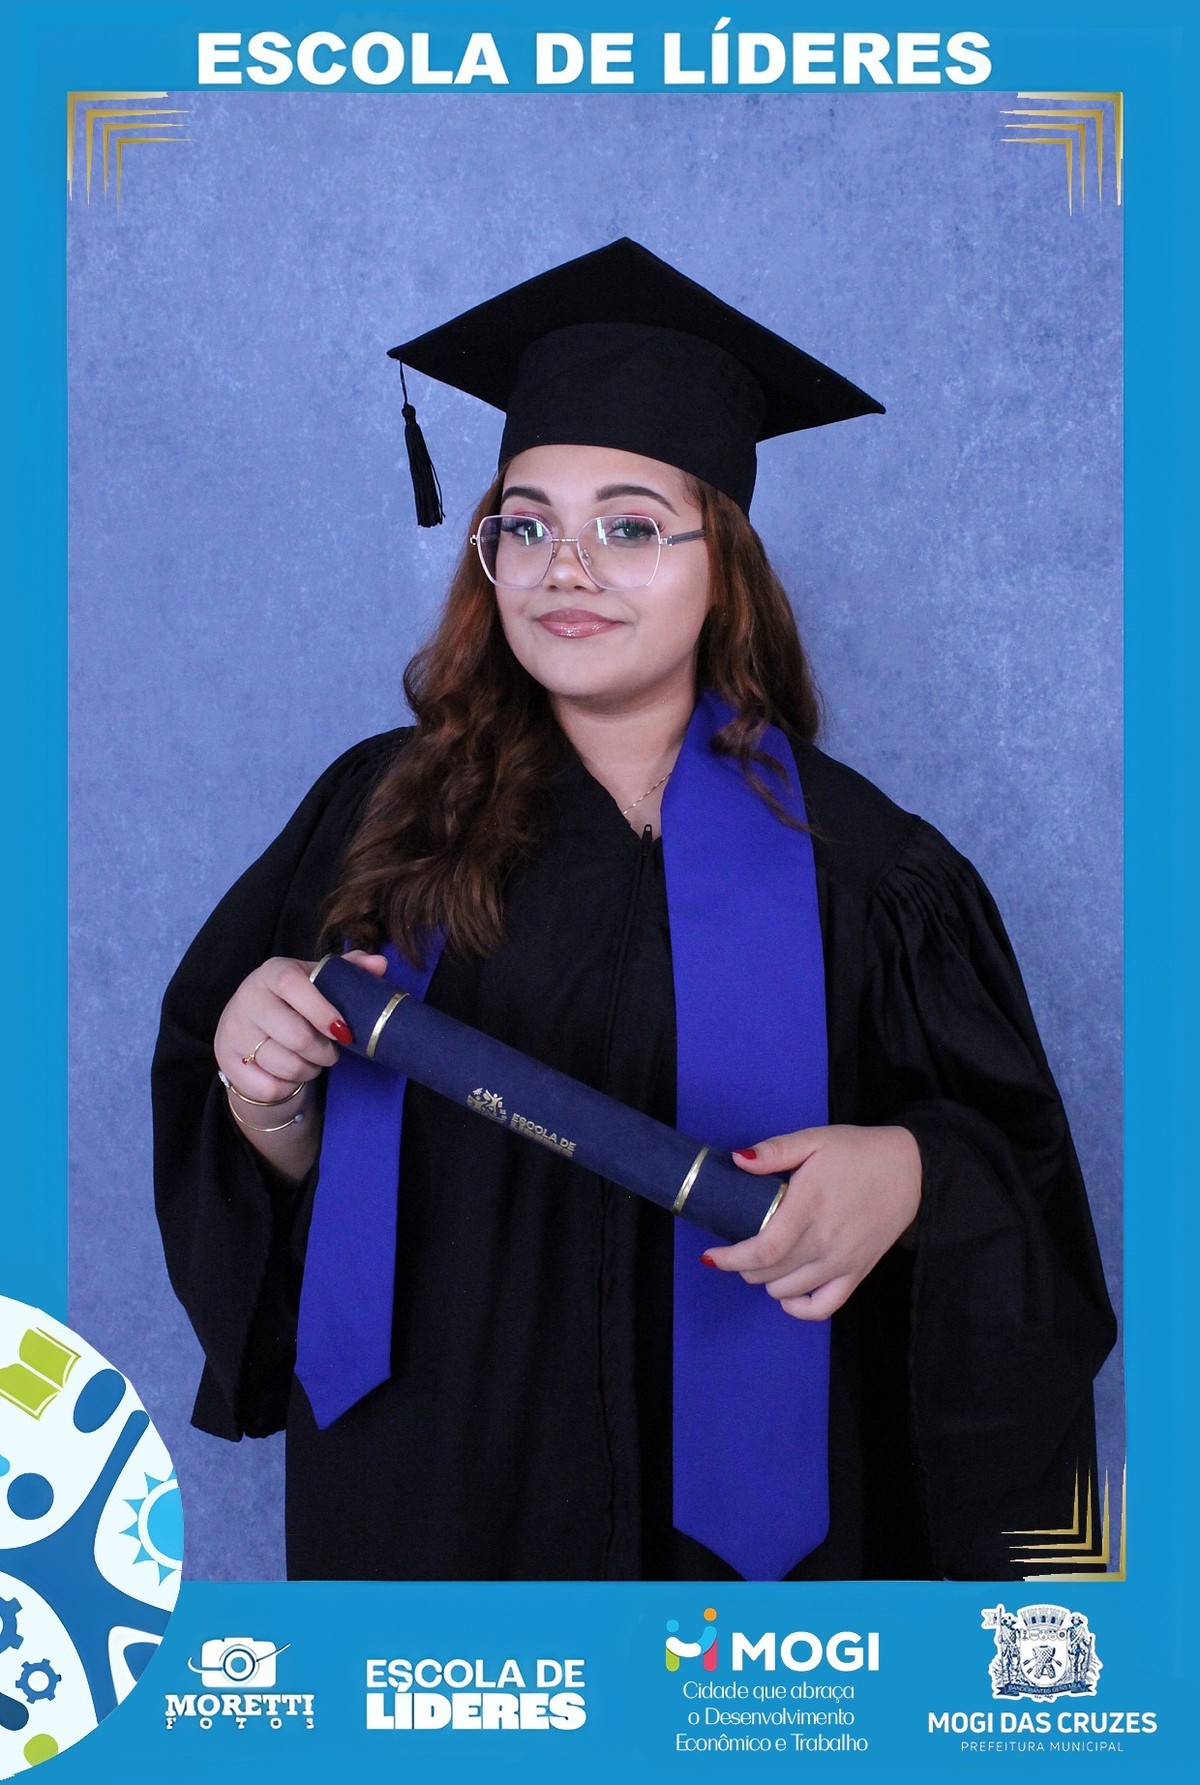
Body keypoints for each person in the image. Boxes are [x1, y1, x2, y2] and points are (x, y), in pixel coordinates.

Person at [152, 239, 1116, 1583]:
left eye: (630, 526)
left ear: (726, 559)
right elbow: (271, 1189)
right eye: (525, 524)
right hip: (429, 1512)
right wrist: (264, 1103)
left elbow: (1025, 1217)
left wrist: (910, 1176)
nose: (566, 568)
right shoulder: (372, 820)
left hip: (749, 1591)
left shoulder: (870, 875)